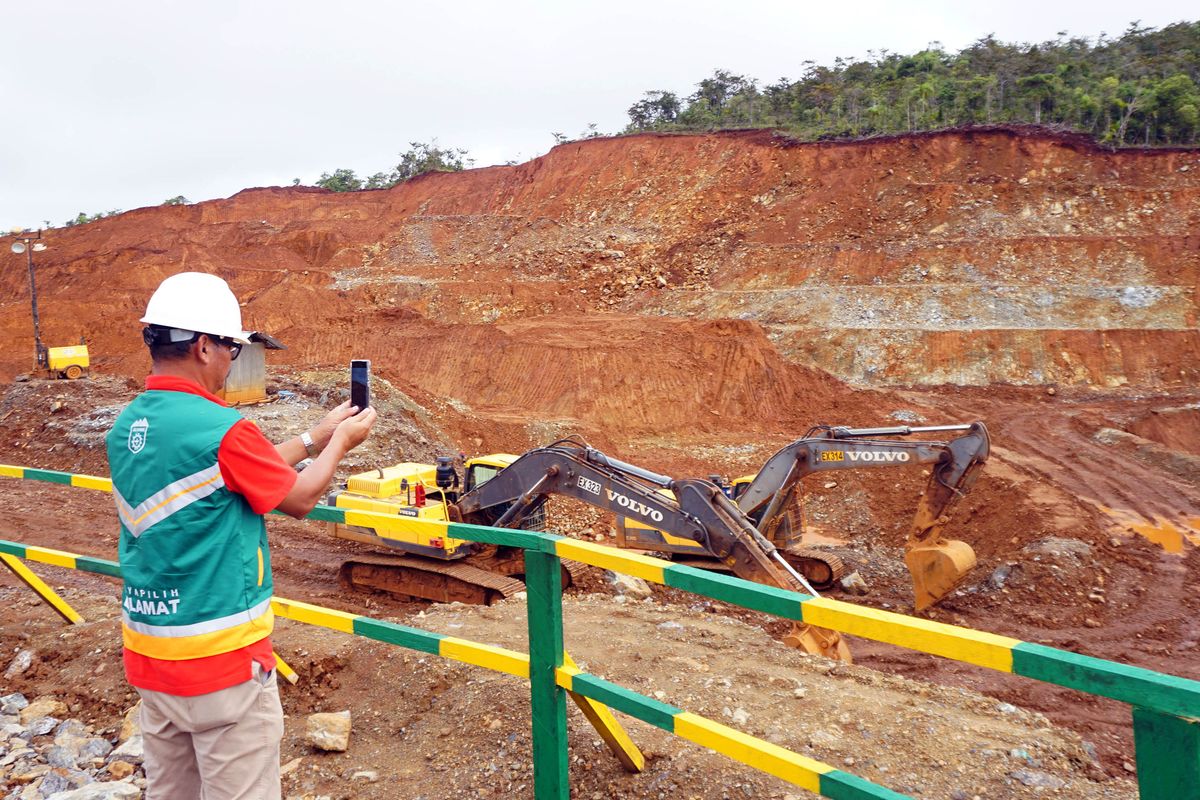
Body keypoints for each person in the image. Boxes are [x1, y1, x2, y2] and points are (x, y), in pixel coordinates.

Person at [104, 271, 376, 800]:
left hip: (151, 657)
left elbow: (231, 472)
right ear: (203, 346)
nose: (232, 360)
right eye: (231, 347)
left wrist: (313, 437)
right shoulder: (221, 427)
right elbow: (299, 498)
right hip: (222, 664)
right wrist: (341, 444)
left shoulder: (128, 426)